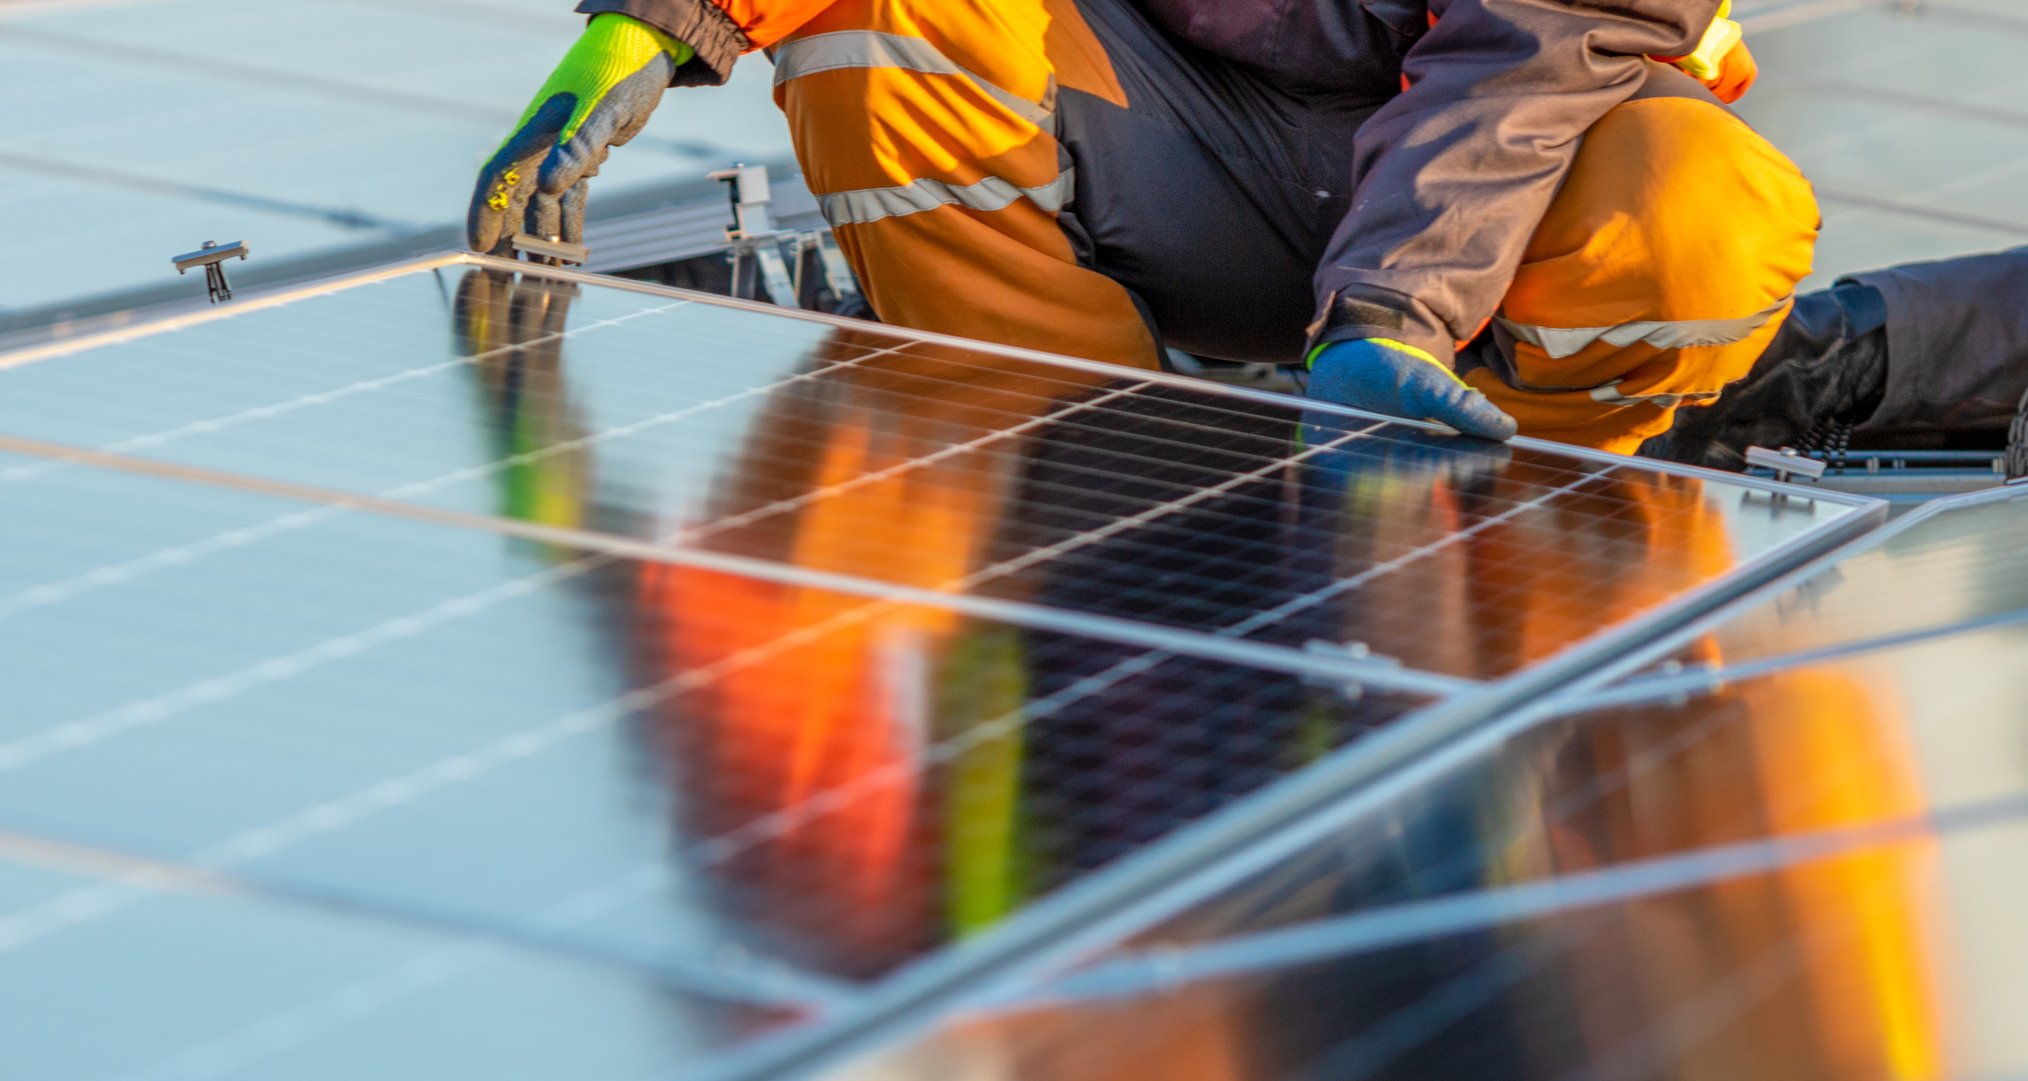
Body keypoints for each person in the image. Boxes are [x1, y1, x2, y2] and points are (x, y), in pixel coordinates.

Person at [467, 1, 2028, 468]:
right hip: (1182, 133)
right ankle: (1094, 459)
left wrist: (1390, 316)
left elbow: (1519, 71)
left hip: (1512, 171)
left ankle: (1540, 456)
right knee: (882, 33)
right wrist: (652, 33)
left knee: (1703, 221)